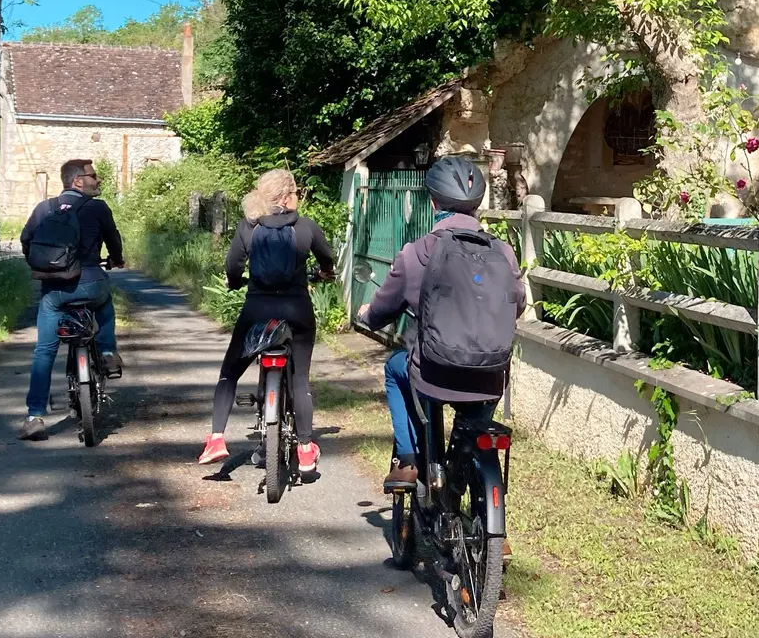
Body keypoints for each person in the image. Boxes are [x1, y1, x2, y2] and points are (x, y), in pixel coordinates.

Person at [358, 154, 525, 489]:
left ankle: (407, 459)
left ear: (432, 202)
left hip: (433, 373)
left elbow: (380, 312)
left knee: (395, 369)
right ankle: (469, 491)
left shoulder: (415, 252)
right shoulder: (503, 252)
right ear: (478, 203)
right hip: (490, 375)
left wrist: (366, 314)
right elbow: (517, 305)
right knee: (473, 430)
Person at [197, 169, 337, 469]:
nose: (298, 196)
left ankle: (216, 438)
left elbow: (233, 265)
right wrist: (325, 271)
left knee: (229, 373)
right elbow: (328, 257)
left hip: (257, 309)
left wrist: (235, 282)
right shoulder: (306, 227)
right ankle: (304, 449)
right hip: (297, 310)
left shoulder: (249, 227)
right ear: (287, 196)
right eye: (296, 191)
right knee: (300, 381)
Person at [17, 158, 124, 441]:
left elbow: (26, 240)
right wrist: (116, 259)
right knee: (104, 302)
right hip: (90, 282)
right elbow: (113, 239)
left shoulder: (45, 208)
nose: (98, 180)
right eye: (93, 176)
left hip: (55, 291)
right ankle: (109, 351)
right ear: (78, 181)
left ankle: (34, 417)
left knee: (44, 351)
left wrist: (43, 266)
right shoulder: (98, 208)